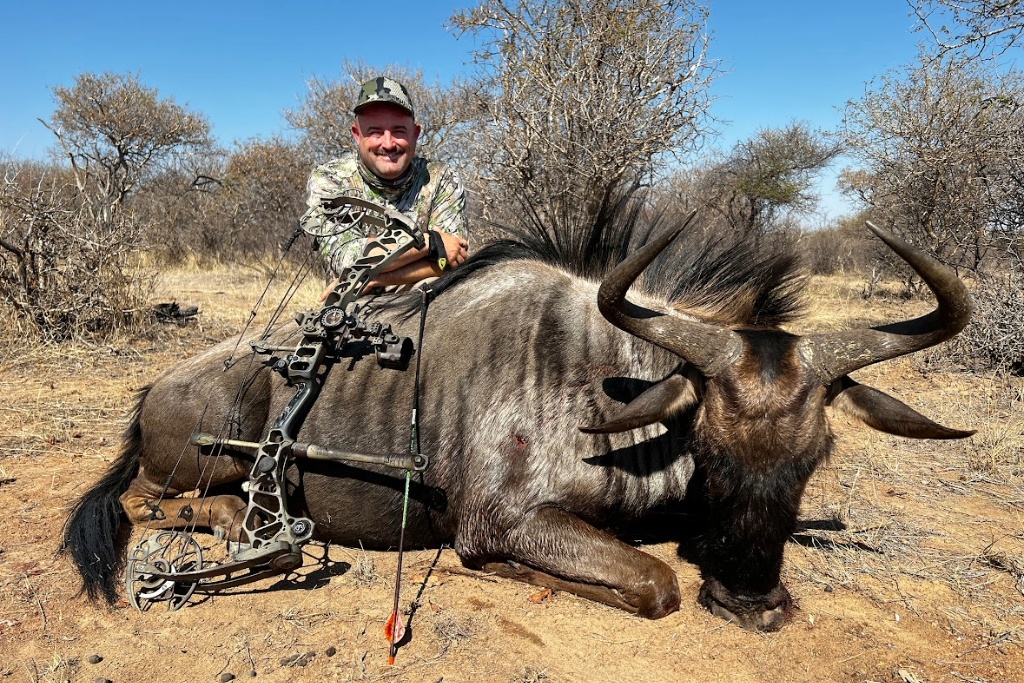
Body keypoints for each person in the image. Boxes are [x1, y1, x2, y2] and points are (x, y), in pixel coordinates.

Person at [304, 76, 470, 295]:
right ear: (357, 135)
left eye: (399, 131)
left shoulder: (441, 178)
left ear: (416, 133)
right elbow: (347, 260)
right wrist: (430, 243)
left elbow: (453, 260)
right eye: (375, 132)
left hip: (425, 305)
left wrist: (375, 279)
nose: (388, 143)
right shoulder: (330, 179)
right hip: (354, 307)